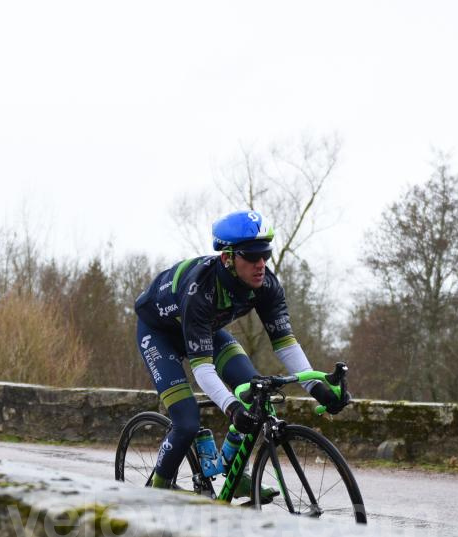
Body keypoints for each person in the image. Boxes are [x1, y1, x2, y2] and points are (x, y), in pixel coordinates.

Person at [134, 210, 351, 494]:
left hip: (206, 330)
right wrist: (231, 407)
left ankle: (236, 475)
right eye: (251, 257)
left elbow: (285, 344)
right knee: (186, 422)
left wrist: (317, 388)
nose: (260, 264)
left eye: (265, 255)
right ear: (227, 259)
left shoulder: (267, 285)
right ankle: (156, 490)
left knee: (254, 392)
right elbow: (203, 369)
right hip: (160, 333)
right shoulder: (201, 290)